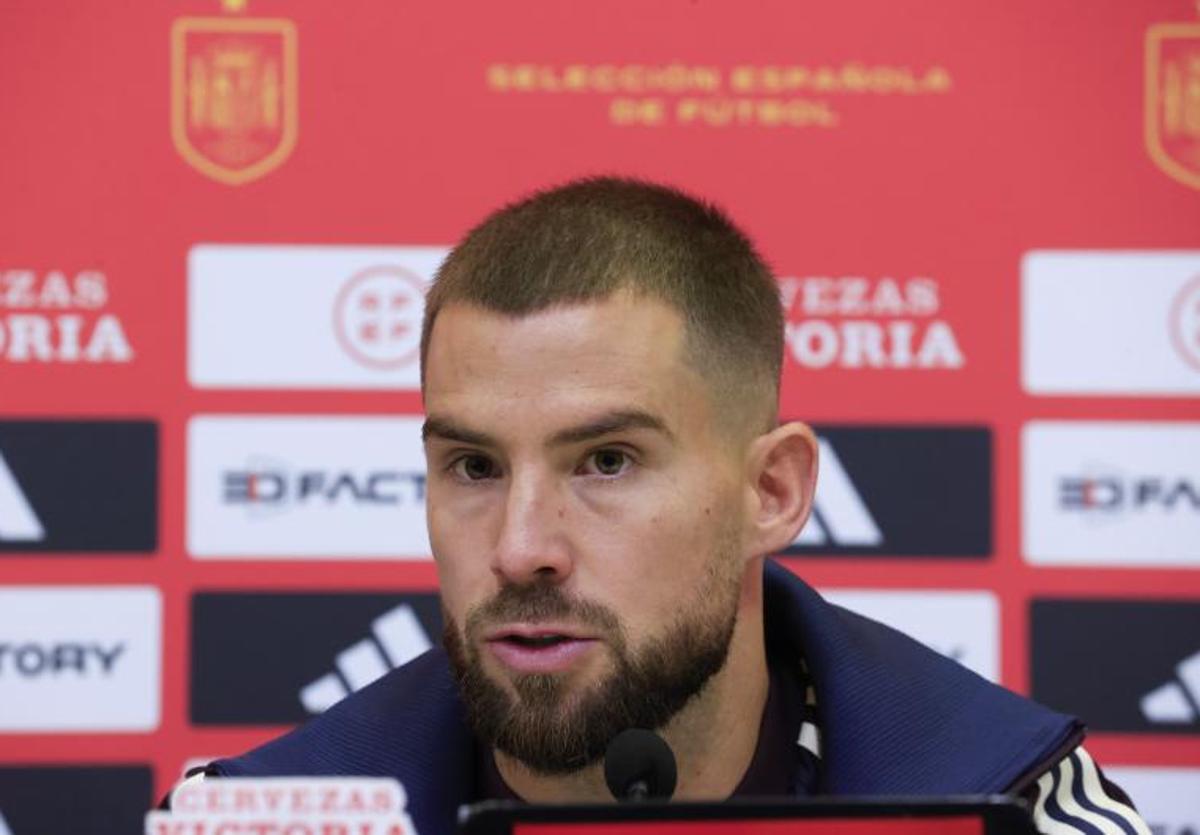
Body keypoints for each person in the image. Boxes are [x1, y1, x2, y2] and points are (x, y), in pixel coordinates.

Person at [176, 178, 1149, 835]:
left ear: (771, 492)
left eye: (605, 461)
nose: (520, 549)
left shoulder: (1014, 804)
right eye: (473, 466)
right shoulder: (256, 815)